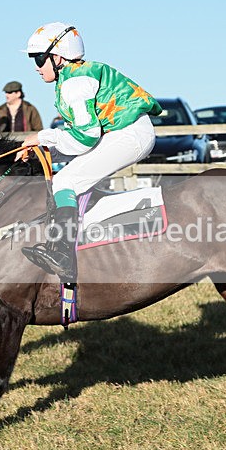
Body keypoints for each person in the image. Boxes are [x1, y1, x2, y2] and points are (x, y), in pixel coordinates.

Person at [16, 22, 162, 283]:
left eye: (39, 58)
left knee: (66, 180)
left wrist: (42, 137)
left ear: (57, 57)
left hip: (130, 134)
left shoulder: (75, 84)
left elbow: (85, 139)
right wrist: (46, 152)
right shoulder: (71, 77)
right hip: (123, 132)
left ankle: (62, 254)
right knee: (72, 177)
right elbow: (77, 140)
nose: (36, 67)